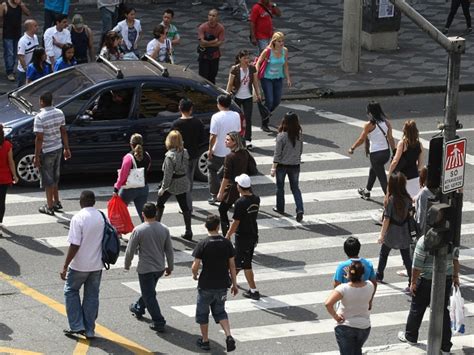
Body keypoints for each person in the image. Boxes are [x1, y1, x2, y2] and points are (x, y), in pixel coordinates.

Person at [398, 238, 460, 354]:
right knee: (443, 312)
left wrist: (413, 282)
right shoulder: (452, 239)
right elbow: (455, 260)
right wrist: (455, 277)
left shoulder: (423, 241)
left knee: (417, 309)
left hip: (426, 280)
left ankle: (411, 336)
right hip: (446, 279)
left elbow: (417, 266)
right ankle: (445, 346)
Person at [125, 202, 174, 333]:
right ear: (156, 213)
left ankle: (158, 321)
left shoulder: (139, 230)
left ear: (143, 214)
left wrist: (127, 264)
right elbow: (169, 250)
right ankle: (139, 307)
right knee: (149, 292)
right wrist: (170, 266)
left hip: (146, 269)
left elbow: (130, 250)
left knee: (149, 295)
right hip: (159, 268)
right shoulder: (164, 228)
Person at [61, 190, 103, 340]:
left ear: (81, 201)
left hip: (79, 265)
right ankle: (90, 330)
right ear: (94, 201)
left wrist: (65, 265)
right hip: (97, 264)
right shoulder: (102, 216)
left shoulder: (78, 218)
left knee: (71, 291)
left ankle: (77, 325)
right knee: (92, 296)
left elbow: (74, 244)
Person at [192, 214, 238, 352]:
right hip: (223, 284)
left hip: (206, 284)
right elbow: (232, 265)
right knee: (220, 311)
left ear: (206, 226)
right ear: (218, 227)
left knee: (202, 313)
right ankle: (228, 335)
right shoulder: (226, 243)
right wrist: (234, 284)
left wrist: (195, 275)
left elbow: (195, 265)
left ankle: (205, 340)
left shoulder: (203, 244)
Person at [33, 92, 71, 215]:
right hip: (58, 148)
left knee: (48, 180)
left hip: (47, 150)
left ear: (42, 101)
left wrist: (36, 156)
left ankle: (49, 207)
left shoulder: (39, 117)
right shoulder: (59, 113)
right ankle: (56, 201)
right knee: (55, 177)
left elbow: (39, 138)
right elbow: (63, 132)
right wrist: (67, 148)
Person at [325, 261, 374, 355]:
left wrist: (336, 317)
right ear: (362, 273)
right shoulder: (370, 285)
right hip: (364, 326)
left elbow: (328, 304)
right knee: (356, 351)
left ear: (349, 273)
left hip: (345, 326)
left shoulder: (343, 288)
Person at [349, 101, 396, 198]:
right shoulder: (386, 123)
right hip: (386, 153)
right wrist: (394, 151)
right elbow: (390, 138)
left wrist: (352, 147)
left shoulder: (369, 125)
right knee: (374, 169)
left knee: (382, 178)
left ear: (370, 113)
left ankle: (390, 200)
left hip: (375, 154)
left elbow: (362, 139)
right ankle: (367, 191)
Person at [225, 174, 261, 300]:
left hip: (242, 236)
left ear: (239, 187)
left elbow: (236, 222)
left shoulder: (240, 203)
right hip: (252, 234)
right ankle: (253, 290)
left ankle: (229, 280)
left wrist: (228, 235)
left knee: (239, 261)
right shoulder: (256, 199)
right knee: (245, 262)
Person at [376, 172, 413, 292]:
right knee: (407, 258)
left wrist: (381, 235)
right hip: (404, 232)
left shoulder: (391, 200)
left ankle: (379, 275)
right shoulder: (407, 199)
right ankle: (412, 281)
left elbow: (386, 219)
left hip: (391, 232)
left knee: (384, 254)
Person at [156, 130, 193, 241]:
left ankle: (156, 229)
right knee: (184, 206)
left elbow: (167, 175)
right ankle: (188, 231)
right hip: (183, 181)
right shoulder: (184, 151)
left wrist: (162, 188)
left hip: (172, 184)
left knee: (160, 203)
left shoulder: (169, 156)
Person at [171, 98, 205, 213]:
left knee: (183, 181)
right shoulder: (198, 122)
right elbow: (202, 139)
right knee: (189, 179)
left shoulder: (176, 124)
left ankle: (187, 207)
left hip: (180, 156)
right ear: (191, 109)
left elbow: (172, 141)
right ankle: (188, 204)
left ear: (179, 108)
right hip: (194, 155)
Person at [207, 94, 241, 205]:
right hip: (232, 150)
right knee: (231, 174)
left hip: (219, 151)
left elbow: (213, 136)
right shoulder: (236, 115)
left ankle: (214, 194)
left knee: (212, 171)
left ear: (219, 104)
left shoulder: (216, 117)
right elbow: (239, 132)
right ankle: (232, 196)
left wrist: (210, 149)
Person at [270, 112, 304, 222]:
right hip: (295, 165)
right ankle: (300, 209)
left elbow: (277, 154)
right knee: (295, 188)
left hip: (282, 166)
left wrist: (273, 167)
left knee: (280, 188)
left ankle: (280, 208)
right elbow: (300, 151)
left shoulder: (281, 136)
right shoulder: (299, 135)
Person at [226, 50, 261, 149]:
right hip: (237, 97)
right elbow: (230, 83)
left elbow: (255, 82)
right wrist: (227, 95)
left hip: (248, 97)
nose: (247, 60)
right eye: (245, 58)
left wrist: (258, 94)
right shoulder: (235, 69)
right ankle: (235, 139)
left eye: (248, 57)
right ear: (240, 59)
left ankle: (248, 139)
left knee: (248, 118)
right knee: (236, 119)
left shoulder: (252, 68)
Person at [256, 31, 291, 129]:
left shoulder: (285, 51)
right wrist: (256, 74)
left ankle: (265, 112)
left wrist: (288, 78)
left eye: (282, 41)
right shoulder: (268, 51)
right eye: (279, 41)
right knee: (270, 100)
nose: (281, 43)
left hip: (278, 78)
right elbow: (258, 62)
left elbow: (286, 65)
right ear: (274, 41)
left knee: (277, 100)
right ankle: (265, 123)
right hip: (267, 78)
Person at [217, 132, 250, 235]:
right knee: (241, 211)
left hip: (232, 188)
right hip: (244, 186)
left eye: (228, 140)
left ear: (235, 142)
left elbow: (226, 177)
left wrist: (220, 192)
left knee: (222, 209)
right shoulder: (245, 153)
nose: (225, 141)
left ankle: (226, 234)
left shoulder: (230, 156)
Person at [114, 133, 151, 223]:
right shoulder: (147, 155)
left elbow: (123, 175)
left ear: (131, 144)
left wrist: (116, 188)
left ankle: (118, 232)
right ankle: (148, 231)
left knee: (119, 211)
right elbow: (148, 168)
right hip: (143, 187)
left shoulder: (128, 158)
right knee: (143, 214)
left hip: (129, 189)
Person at [388, 120, 424, 199]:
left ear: (405, 131)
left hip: (402, 178)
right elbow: (420, 166)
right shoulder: (420, 145)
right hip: (414, 177)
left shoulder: (403, 143)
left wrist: (390, 174)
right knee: (413, 202)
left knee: (400, 201)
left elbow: (395, 161)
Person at [1, 0, 30, 82]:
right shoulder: (4, 5)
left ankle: (12, 68)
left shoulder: (20, 5)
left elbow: (28, 13)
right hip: (7, 33)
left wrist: (21, 5)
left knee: (15, 53)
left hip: (17, 33)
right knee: (9, 53)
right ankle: (9, 71)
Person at [0, 124, 19, 236]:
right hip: (4, 178)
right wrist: (15, 176)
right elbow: (11, 161)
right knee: (1, 201)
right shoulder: (7, 145)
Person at [197, 9, 225, 84]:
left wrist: (208, 44)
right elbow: (202, 42)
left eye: (213, 16)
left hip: (215, 56)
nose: (211, 17)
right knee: (203, 77)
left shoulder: (220, 28)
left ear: (217, 17)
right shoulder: (202, 27)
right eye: (209, 15)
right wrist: (213, 41)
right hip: (204, 56)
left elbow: (220, 43)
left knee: (212, 76)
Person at [17, 19, 39, 87]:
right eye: (35, 26)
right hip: (24, 71)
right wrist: (26, 69)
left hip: (33, 67)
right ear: (29, 27)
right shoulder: (22, 41)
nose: (37, 27)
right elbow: (21, 57)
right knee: (22, 88)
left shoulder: (35, 37)